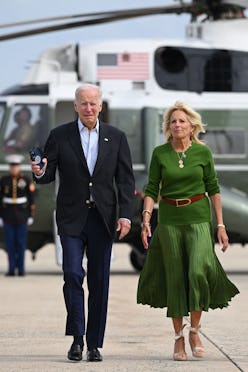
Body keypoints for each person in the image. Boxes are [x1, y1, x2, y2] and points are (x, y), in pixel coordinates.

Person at [31, 83, 135, 362]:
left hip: (103, 219)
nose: (89, 108)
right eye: (83, 103)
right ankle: (77, 338)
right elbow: (47, 175)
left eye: (93, 103)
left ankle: (93, 344)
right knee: (73, 274)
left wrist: (126, 215)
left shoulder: (116, 137)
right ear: (75, 106)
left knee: (99, 282)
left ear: (101, 105)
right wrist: (39, 171)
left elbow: (125, 181)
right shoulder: (59, 135)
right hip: (71, 218)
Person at [137, 101, 239, 361]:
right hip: (170, 220)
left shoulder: (203, 153)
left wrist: (220, 225)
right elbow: (151, 188)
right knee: (176, 278)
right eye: (173, 121)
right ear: (168, 127)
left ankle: (194, 330)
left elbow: (213, 189)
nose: (178, 125)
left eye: (182, 121)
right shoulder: (160, 153)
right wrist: (147, 218)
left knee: (197, 273)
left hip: (198, 219)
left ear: (192, 125)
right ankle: (178, 338)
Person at [0, 154, 35, 276]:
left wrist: (30, 215)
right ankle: (11, 269)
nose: (14, 168)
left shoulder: (25, 180)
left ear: (19, 167)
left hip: (22, 216)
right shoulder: (4, 180)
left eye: (16, 166)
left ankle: (21, 269)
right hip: (8, 215)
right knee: (10, 244)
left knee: (21, 243)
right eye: (12, 166)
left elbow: (31, 199)